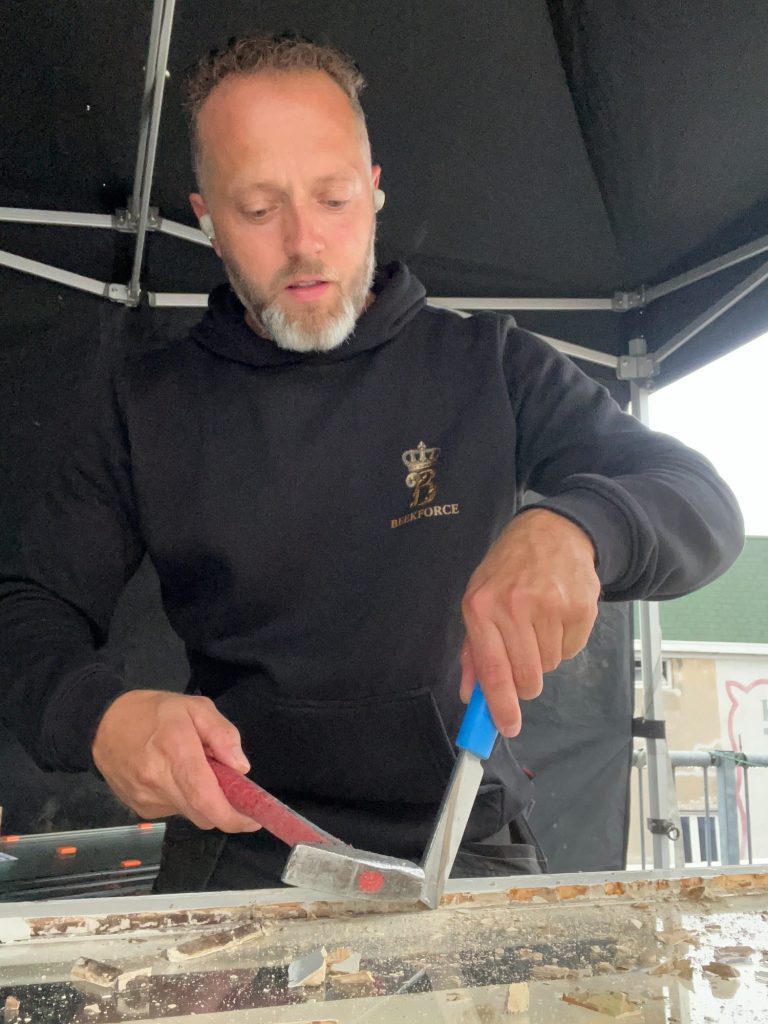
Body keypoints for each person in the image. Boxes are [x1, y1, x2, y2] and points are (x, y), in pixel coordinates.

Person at [0, 34, 744, 892]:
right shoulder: (147, 404)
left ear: (375, 189)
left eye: (334, 198)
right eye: (258, 209)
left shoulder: (489, 365)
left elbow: (702, 501)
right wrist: (102, 718)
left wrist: (579, 527)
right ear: (206, 218)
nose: (306, 243)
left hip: (460, 840)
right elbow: (26, 609)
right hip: (241, 845)